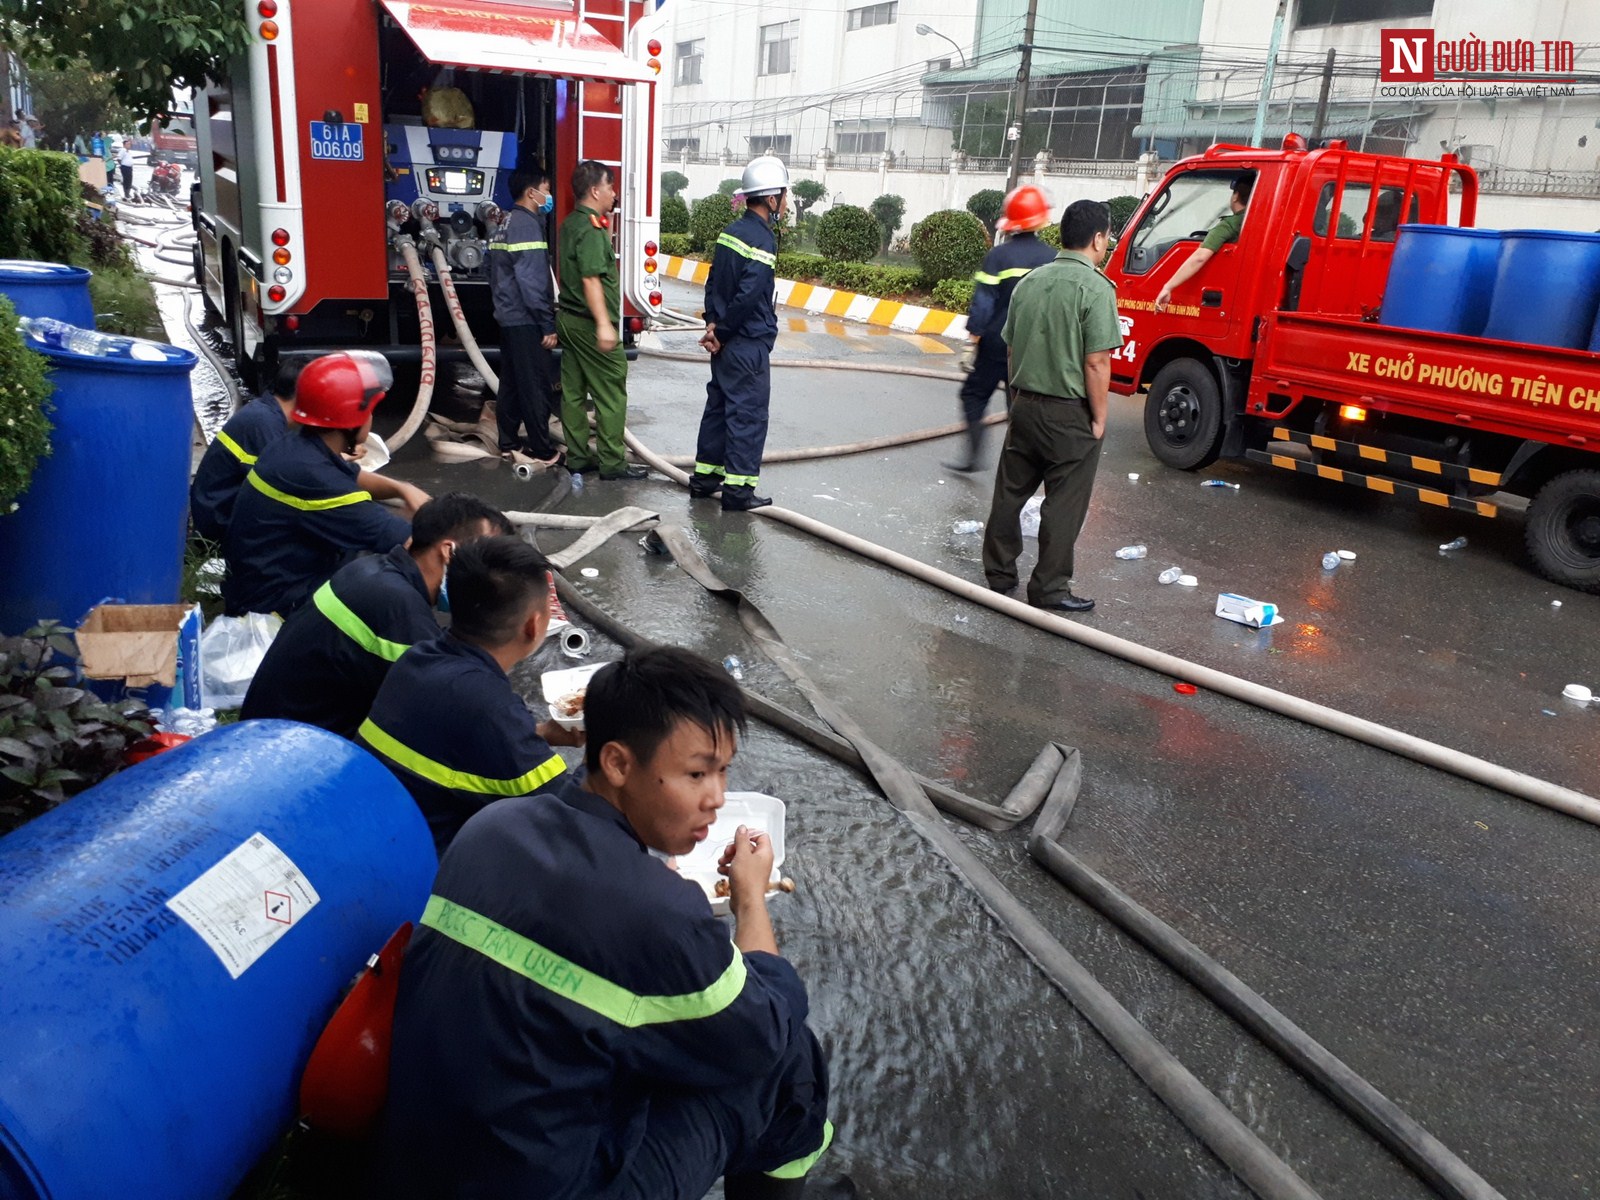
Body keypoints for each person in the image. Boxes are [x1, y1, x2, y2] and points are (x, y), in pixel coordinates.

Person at [377, 644, 833, 1200]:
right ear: (618, 763)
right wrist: (749, 900)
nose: (715, 798)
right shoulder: (659, 911)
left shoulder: (493, 826)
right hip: (553, 1184)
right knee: (791, 1063)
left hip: (419, 1163)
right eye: (695, 773)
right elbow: (763, 1033)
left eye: (722, 772)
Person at [358, 536, 582, 853]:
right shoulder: (490, 707)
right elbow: (571, 815)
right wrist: (605, 747)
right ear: (534, 625)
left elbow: (455, 738)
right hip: (415, 869)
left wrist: (539, 733)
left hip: (370, 829)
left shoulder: (417, 659)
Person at [240, 493, 512, 737]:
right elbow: (447, 707)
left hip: (273, 728)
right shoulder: (396, 605)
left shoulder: (374, 570)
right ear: (449, 552)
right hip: (295, 751)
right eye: (487, 562)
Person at [981, 199, 1122, 614]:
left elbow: (1010, 348)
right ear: (1097, 239)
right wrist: (1098, 419)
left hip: (1024, 404)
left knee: (1010, 492)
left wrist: (1017, 401)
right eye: (1107, 236)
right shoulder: (1095, 288)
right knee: (1063, 502)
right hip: (1069, 413)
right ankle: (1049, 588)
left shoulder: (1030, 282)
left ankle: (999, 575)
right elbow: (1096, 361)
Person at [221, 351, 428, 617]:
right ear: (353, 418)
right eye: (371, 410)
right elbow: (405, 540)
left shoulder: (297, 446)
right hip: (274, 605)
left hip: (259, 583)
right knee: (389, 583)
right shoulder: (314, 476)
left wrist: (403, 488)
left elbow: (350, 474)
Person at [688, 155, 787, 512]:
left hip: (726, 342)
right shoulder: (763, 239)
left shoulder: (729, 232)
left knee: (718, 407)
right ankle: (738, 491)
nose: (785, 204)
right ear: (772, 198)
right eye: (784, 196)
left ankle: (704, 480)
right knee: (747, 415)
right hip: (746, 344)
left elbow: (713, 280)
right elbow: (749, 294)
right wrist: (725, 331)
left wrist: (713, 324)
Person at [943, 184, 1059, 473]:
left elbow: (983, 304)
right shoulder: (1054, 259)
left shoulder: (998, 257)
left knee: (973, 395)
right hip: (1033, 346)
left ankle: (973, 456)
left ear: (1011, 224)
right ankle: (1021, 467)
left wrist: (972, 342)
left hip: (996, 342)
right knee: (1019, 407)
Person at [556, 160, 645, 480]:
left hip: (568, 319)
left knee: (574, 392)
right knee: (611, 389)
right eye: (610, 186)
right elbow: (592, 279)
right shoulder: (591, 228)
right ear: (595, 190)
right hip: (589, 323)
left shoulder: (572, 223)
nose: (614, 192)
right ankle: (612, 463)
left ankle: (578, 457)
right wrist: (605, 324)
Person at [488, 165, 562, 465]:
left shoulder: (505, 222)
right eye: (546, 189)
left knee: (512, 382)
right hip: (525, 317)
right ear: (532, 193)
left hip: (508, 315)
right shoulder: (527, 225)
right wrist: (546, 322)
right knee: (534, 385)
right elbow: (531, 280)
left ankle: (507, 441)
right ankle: (540, 450)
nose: (549, 196)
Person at [190, 359, 305, 542]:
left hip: (219, 511)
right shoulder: (263, 423)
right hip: (219, 524)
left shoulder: (268, 413)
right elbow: (285, 484)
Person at [1154, 174, 1252, 312]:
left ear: (1235, 196)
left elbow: (1199, 257)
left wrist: (1168, 287)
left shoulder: (1231, 224)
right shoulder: (1255, 221)